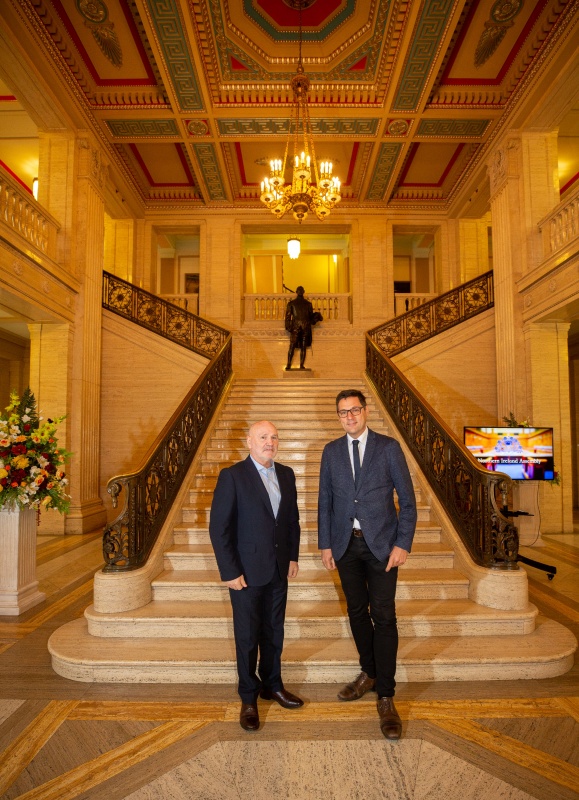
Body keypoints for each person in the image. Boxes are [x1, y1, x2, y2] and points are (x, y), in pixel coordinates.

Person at [318, 389, 417, 740]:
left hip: (381, 547)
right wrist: (326, 543)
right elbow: (325, 501)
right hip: (346, 547)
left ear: (366, 410)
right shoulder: (331, 452)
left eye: (354, 410)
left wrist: (402, 544)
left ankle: (386, 695)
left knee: (384, 615)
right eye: (343, 412)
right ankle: (369, 672)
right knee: (357, 612)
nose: (350, 417)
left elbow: (407, 501)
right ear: (338, 416)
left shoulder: (388, 448)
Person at [209, 420, 303, 731]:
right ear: (249, 442)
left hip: (278, 569)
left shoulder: (287, 474)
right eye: (263, 437)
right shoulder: (233, 476)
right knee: (248, 637)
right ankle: (248, 697)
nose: (270, 442)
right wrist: (230, 571)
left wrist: (292, 556)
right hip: (245, 574)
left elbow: (292, 521)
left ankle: (272, 685)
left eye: (274, 437)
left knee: (274, 632)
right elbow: (218, 528)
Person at [284, 285, 319, 370]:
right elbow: (311, 318)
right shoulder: (308, 304)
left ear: (296, 292)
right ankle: (300, 365)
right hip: (304, 326)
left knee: (293, 346)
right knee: (301, 346)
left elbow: (287, 318)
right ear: (303, 292)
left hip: (296, 326)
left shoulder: (292, 303)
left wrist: (288, 327)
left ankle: (289, 364)